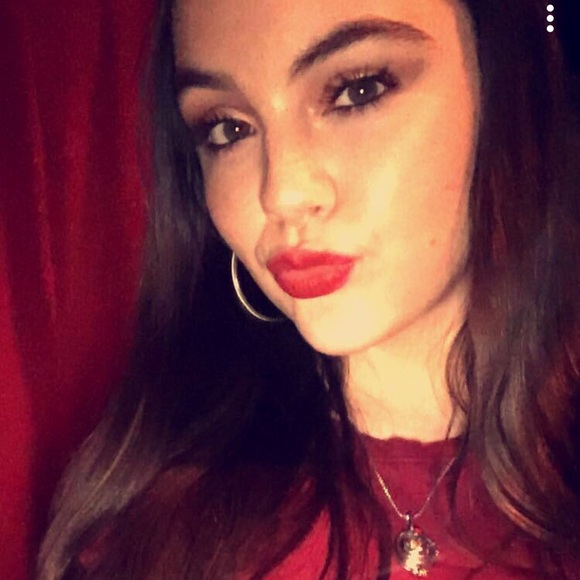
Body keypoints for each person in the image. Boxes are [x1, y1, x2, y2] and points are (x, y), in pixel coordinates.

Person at [38, 0, 580, 578]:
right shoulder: (154, 533)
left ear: (507, 90)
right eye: (228, 128)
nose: (282, 192)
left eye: (358, 91)